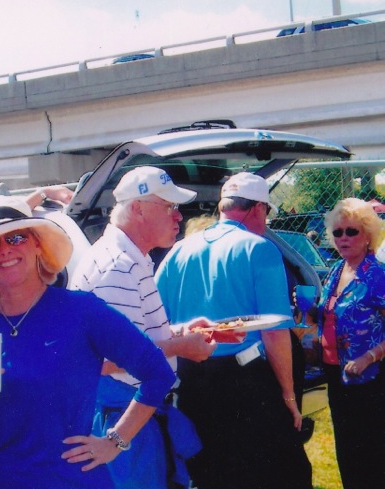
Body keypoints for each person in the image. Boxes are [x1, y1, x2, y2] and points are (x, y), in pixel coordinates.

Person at [0, 196, 176, 489]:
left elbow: (158, 373)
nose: (4, 250)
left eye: (15, 237)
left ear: (37, 243)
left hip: (74, 480)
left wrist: (114, 441)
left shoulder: (81, 311)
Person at [155, 172, 312, 489]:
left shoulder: (177, 252)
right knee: (279, 474)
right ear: (257, 209)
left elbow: (158, 324)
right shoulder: (260, 249)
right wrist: (288, 395)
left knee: (211, 473)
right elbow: (274, 332)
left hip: (191, 381)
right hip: (245, 382)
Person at [71, 167, 216, 489]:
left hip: (127, 416)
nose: (179, 216)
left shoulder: (127, 259)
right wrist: (180, 346)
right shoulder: (118, 266)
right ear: (137, 208)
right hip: (122, 421)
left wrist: (177, 333)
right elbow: (106, 360)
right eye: (170, 207)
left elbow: (128, 342)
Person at [310, 198, 385, 489]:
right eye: (338, 232)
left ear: (367, 235)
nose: (343, 238)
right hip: (338, 375)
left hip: (370, 378)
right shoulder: (336, 271)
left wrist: (369, 356)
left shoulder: (376, 275)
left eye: (351, 232)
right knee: (348, 452)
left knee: (371, 457)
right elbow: (331, 315)